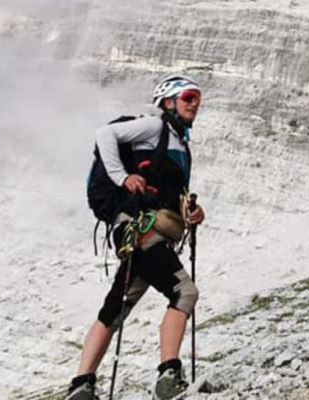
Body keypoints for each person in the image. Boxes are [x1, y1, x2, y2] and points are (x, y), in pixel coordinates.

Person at [67, 75, 206, 400]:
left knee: (117, 307)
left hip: (150, 229)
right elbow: (105, 133)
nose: (195, 103)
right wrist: (122, 176)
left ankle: (81, 387)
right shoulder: (152, 127)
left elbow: (172, 194)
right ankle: (169, 379)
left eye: (198, 98)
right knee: (184, 292)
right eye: (188, 97)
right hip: (140, 227)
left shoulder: (180, 145)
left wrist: (191, 214)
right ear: (168, 101)